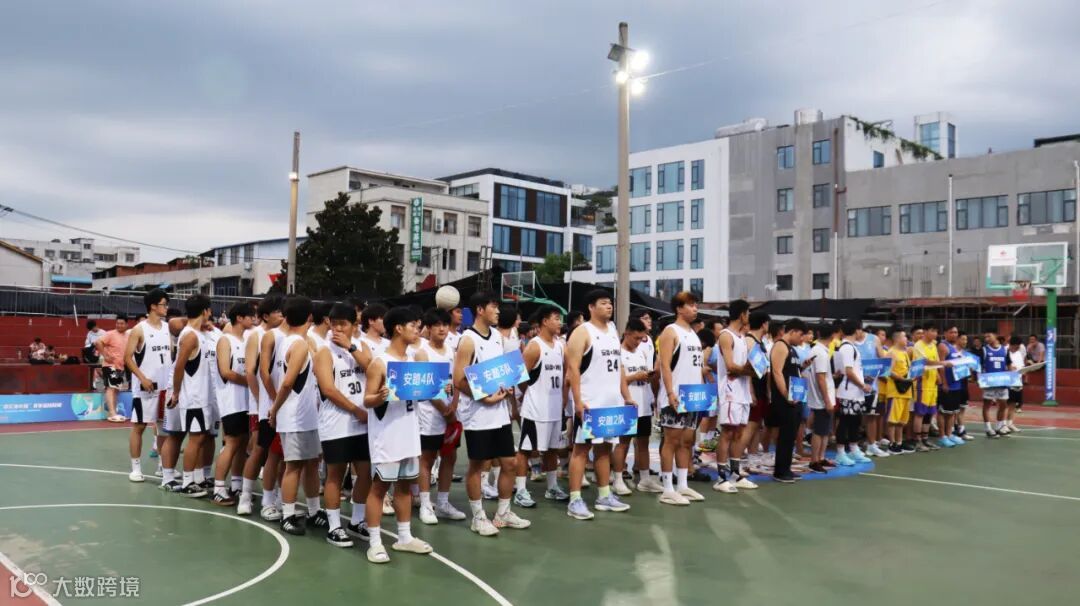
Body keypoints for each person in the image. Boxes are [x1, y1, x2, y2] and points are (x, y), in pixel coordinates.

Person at [453, 291, 530, 536]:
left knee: (510, 463)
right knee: (477, 466)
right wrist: (485, 397)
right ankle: (478, 517)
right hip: (478, 415)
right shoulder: (468, 340)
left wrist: (507, 387)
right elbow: (458, 379)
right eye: (493, 306)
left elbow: (500, 372)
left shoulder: (497, 336)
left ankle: (503, 514)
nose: (498, 311)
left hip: (499, 412)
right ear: (480, 309)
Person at [362, 306, 434, 563]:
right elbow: (367, 400)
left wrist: (438, 389)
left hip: (409, 432)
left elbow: (420, 395)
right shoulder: (380, 362)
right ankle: (374, 542)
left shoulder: (414, 361)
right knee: (379, 488)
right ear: (398, 328)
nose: (418, 329)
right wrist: (380, 396)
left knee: (405, 486)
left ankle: (404, 537)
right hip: (387, 435)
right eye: (413, 325)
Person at [565, 289, 634, 520]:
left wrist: (626, 396)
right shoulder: (582, 332)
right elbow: (573, 369)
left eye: (610, 303)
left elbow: (619, 366)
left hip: (611, 402)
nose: (609, 306)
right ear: (591, 307)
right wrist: (577, 401)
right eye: (603, 303)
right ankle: (575, 500)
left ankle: (604, 495)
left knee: (605, 449)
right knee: (581, 451)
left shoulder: (613, 330)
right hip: (590, 402)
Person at [311, 303, 372, 547]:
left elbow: (372, 368)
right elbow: (328, 389)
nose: (337, 329)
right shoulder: (324, 352)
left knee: (365, 472)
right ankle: (334, 526)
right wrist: (356, 410)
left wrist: (351, 347)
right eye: (333, 324)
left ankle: (357, 521)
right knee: (335, 474)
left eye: (343, 324)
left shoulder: (361, 347)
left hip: (363, 424)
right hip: (336, 423)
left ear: (354, 326)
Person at [267, 296, 327, 535]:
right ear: (310, 317)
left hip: (306, 416)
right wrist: (275, 409)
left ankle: (314, 511)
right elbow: (288, 382)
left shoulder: (295, 341)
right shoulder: (298, 344)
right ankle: (288, 515)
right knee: (293, 466)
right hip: (294, 417)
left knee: (311, 463)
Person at [416, 308, 468, 524]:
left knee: (450, 457)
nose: (442, 329)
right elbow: (426, 387)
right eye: (437, 325)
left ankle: (443, 503)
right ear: (428, 328)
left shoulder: (451, 352)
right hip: (429, 414)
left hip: (450, 414)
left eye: (445, 325)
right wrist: (444, 410)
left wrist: (453, 405)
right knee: (427, 458)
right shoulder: (422, 353)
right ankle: (425, 504)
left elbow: (456, 381)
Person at [515, 305, 570, 503]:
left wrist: (563, 399)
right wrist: (531, 394)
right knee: (526, 450)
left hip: (554, 408)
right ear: (545, 322)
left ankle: (552, 487)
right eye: (556, 318)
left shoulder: (561, 346)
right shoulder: (534, 346)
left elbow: (566, 374)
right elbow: (520, 377)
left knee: (553, 449)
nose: (560, 322)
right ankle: (521, 490)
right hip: (535, 409)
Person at [237, 294, 285, 518]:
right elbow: (250, 371)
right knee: (259, 449)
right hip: (263, 405)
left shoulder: (284, 335)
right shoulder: (255, 335)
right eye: (278, 312)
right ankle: (245, 496)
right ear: (265, 316)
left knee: (279, 453)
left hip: (279, 404)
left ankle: (276, 498)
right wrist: (259, 400)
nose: (282, 315)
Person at [656, 291, 707, 505]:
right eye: (690, 305)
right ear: (679, 308)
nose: (695, 308)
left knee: (687, 441)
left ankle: (683, 485)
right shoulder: (671, 331)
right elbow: (664, 365)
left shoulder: (693, 333)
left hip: (692, 396)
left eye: (696, 305)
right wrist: (670, 393)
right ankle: (668, 488)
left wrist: (702, 392)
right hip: (675, 396)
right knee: (671, 441)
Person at [123, 289, 171, 483]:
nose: (166, 307)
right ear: (153, 306)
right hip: (145, 388)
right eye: (163, 304)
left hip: (165, 387)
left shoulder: (168, 328)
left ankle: (162, 466)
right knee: (140, 426)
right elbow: (127, 358)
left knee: (163, 428)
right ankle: (136, 468)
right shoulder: (139, 329)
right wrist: (142, 378)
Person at [209, 303, 254, 506]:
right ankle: (218, 488)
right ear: (239, 318)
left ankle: (236, 484)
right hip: (231, 401)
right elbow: (225, 371)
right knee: (232, 443)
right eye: (250, 316)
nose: (253, 319)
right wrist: (250, 381)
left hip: (246, 401)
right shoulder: (225, 340)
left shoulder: (246, 340)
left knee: (243, 443)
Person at [169, 294, 213, 498]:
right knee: (195, 439)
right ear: (205, 311)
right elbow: (179, 366)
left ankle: (195, 478)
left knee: (201, 437)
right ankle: (187, 482)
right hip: (193, 396)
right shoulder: (190, 336)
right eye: (209, 310)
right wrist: (176, 392)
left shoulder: (198, 333)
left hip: (201, 396)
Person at [714, 299, 757, 493]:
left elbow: (744, 366)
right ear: (742, 314)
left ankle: (735, 474)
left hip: (743, 391)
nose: (749, 317)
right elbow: (730, 366)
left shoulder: (742, 337)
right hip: (730, 391)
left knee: (739, 432)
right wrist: (750, 371)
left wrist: (751, 373)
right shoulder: (726, 335)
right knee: (727, 432)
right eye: (748, 313)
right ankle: (721, 477)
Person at [615, 317, 658, 494]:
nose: (638, 342)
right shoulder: (618, 353)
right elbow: (615, 380)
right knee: (623, 443)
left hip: (644, 403)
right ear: (626, 333)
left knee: (643, 442)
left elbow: (642, 374)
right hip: (626, 404)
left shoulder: (641, 352)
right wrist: (634, 377)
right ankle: (618, 479)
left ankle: (645, 479)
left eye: (641, 338)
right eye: (636, 338)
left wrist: (648, 377)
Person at [768, 318, 808, 482]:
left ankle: (786, 468)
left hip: (795, 397)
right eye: (801, 335)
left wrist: (803, 366)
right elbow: (777, 372)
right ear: (792, 331)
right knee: (785, 435)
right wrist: (786, 394)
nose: (802, 339)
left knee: (791, 435)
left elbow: (791, 371)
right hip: (785, 399)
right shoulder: (780, 346)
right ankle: (780, 471)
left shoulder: (791, 349)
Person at [833, 319, 873, 466]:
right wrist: (863, 385)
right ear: (857, 330)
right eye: (861, 330)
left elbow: (853, 370)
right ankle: (840, 453)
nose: (862, 333)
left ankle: (854, 449)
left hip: (856, 392)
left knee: (855, 422)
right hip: (848, 392)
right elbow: (848, 372)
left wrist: (863, 379)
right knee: (844, 422)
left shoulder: (851, 347)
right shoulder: (847, 348)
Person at [805, 323, 838, 473]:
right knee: (819, 431)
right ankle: (814, 461)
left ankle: (821, 457)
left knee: (825, 430)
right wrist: (827, 400)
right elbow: (820, 378)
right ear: (832, 336)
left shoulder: (816, 350)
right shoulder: (821, 353)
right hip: (822, 399)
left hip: (821, 397)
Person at [743, 311, 771, 472]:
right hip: (753, 388)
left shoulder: (761, 342)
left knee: (757, 426)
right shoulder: (749, 341)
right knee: (750, 426)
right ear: (764, 324)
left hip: (761, 389)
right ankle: (735, 462)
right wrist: (751, 392)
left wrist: (767, 391)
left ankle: (752, 460)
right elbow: (746, 369)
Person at [884, 328, 915, 454]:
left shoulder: (904, 352)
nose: (906, 339)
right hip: (895, 390)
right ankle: (892, 443)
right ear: (897, 339)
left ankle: (899, 442)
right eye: (904, 336)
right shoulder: (891, 353)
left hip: (906, 389)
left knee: (902, 420)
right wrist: (901, 378)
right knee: (893, 419)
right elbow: (888, 371)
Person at [937, 325, 967, 447]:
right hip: (947, 385)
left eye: (956, 332)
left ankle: (949, 434)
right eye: (951, 332)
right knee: (943, 412)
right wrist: (944, 383)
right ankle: (942, 436)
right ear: (945, 333)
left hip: (957, 384)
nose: (954, 334)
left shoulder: (955, 347)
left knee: (952, 412)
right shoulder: (943, 346)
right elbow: (941, 366)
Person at [95, 315, 129, 422]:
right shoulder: (110, 334)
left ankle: (113, 412)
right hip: (110, 365)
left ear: (127, 324)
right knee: (111, 388)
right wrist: (105, 356)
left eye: (122, 323)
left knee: (116, 389)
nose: (119, 325)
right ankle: (112, 412)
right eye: (117, 323)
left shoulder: (128, 336)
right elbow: (98, 342)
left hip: (120, 366)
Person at [980, 329, 1010, 438]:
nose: (986, 339)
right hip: (989, 382)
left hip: (1002, 381)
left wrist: (1014, 375)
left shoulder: (1005, 349)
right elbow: (979, 366)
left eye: (989, 336)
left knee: (1003, 404)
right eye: (985, 337)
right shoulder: (984, 349)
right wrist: (980, 379)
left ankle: (999, 426)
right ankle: (988, 428)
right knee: (987, 405)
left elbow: (1009, 364)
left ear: (996, 335)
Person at [1006, 335, 1026, 432]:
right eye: (1017, 346)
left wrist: (1024, 370)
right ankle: (1002, 424)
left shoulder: (1018, 353)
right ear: (1012, 345)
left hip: (1017, 381)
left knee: (1013, 404)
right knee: (1005, 404)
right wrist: (1009, 368)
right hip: (1007, 381)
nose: (1018, 348)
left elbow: (1021, 366)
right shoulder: (1005, 352)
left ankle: (1010, 423)